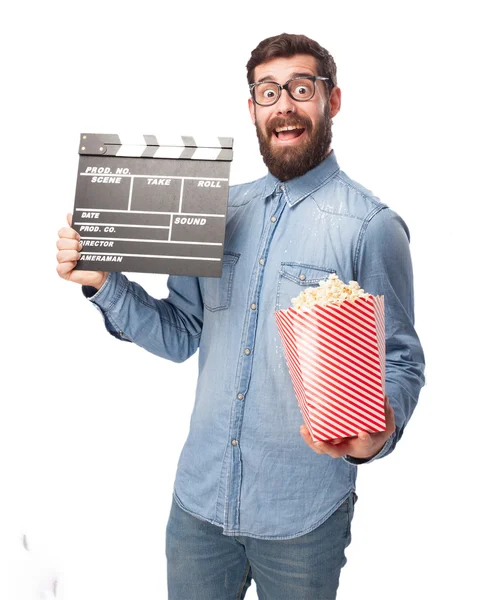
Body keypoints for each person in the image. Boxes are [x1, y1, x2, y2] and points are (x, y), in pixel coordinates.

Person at [56, 33, 425, 600]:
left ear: (333, 100)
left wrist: (375, 436)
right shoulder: (217, 210)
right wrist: (105, 284)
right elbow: (182, 333)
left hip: (304, 518)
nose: (285, 104)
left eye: (302, 88)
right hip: (199, 507)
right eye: (268, 91)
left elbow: (399, 358)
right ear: (252, 108)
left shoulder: (370, 226)